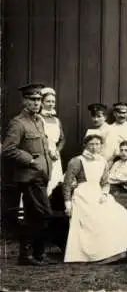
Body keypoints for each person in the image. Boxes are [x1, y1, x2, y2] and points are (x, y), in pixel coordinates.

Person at [2, 83, 56, 265]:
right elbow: (8, 149)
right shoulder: (18, 123)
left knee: (35, 215)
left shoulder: (38, 121)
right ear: (24, 101)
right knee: (42, 213)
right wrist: (30, 160)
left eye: (38, 99)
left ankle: (35, 255)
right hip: (29, 177)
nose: (36, 103)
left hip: (41, 175)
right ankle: (28, 255)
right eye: (32, 99)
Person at [63, 133, 127, 263]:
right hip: (82, 195)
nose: (94, 147)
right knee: (97, 218)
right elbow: (67, 184)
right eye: (91, 144)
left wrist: (104, 194)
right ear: (85, 145)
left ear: (101, 146)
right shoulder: (77, 161)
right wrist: (67, 204)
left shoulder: (102, 161)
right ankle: (97, 253)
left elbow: (105, 182)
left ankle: (115, 250)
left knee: (118, 213)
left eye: (97, 144)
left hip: (98, 193)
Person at [39, 87, 65, 197]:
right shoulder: (38, 118)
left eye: (53, 101)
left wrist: (57, 151)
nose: (51, 104)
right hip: (43, 154)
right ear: (41, 102)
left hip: (55, 155)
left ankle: (51, 209)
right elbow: (41, 138)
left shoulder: (56, 120)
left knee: (55, 181)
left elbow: (62, 139)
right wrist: (49, 152)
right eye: (48, 101)